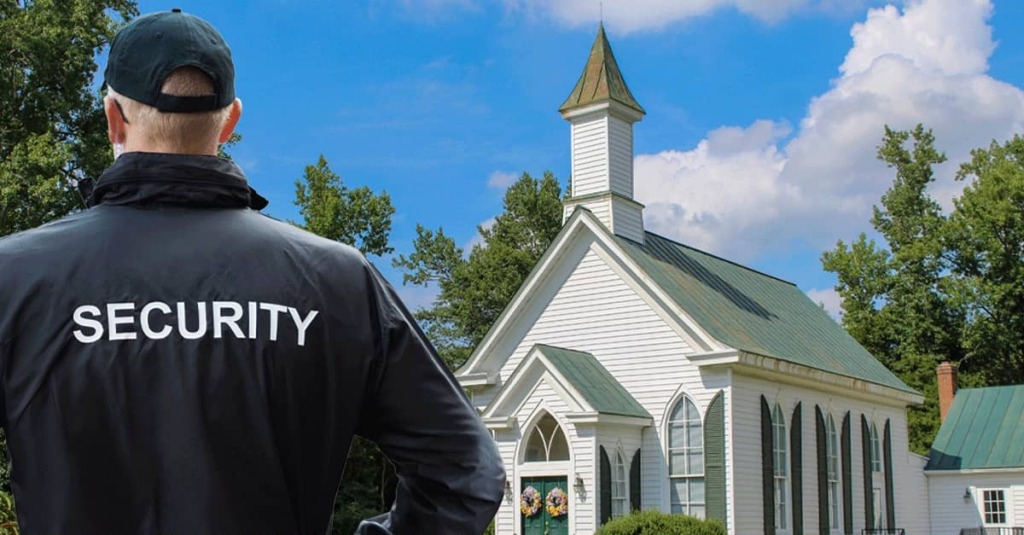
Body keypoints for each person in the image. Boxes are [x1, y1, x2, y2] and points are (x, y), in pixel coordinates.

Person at [0, 9, 504, 534]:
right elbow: (464, 471)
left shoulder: (16, 278)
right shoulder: (335, 280)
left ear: (113, 117)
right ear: (230, 121)